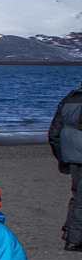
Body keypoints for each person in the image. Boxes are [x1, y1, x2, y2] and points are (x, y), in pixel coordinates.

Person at [48, 79, 82, 250]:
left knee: (77, 194)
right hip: (75, 153)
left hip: (72, 154)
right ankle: (74, 240)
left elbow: (53, 133)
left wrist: (62, 158)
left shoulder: (69, 100)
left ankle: (69, 231)